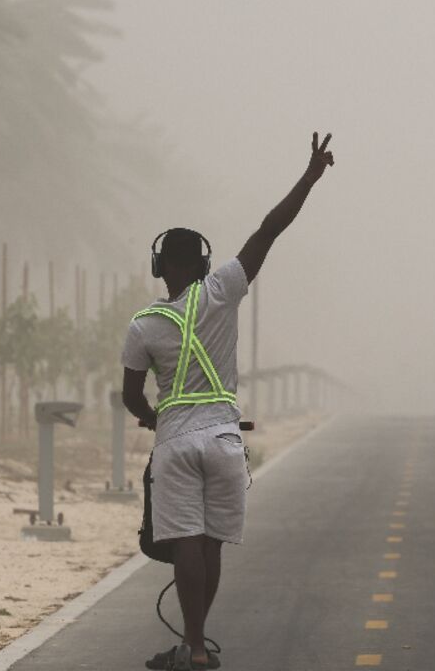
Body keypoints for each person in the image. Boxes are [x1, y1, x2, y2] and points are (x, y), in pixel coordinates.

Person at [121, 132, 335, 671]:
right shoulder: (224, 289)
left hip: (175, 443)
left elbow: (130, 395)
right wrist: (309, 178)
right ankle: (196, 642)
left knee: (185, 540)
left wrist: (152, 417)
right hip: (223, 438)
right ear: (202, 263)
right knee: (211, 542)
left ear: (158, 267)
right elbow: (269, 229)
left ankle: (192, 646)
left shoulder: (143, 324)